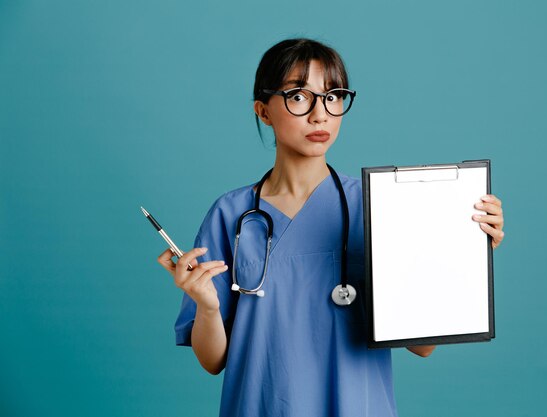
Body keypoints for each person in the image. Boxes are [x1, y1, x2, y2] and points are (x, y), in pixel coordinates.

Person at [157, 38, 505, 417]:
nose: (320, 115)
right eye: (299, 96)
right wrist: (208, 308)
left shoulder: (378, 206)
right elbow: (213, 361)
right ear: (263, 111)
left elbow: (422, 346)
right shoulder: (231, 214)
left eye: (333, 96)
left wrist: (463, 254)